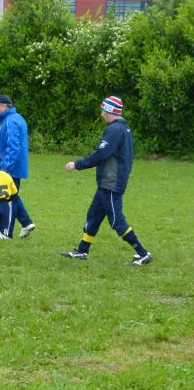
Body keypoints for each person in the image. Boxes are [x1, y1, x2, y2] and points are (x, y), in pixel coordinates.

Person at [60, 95, 152, 266]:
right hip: (108, 182)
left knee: (117, 221)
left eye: (103, 110)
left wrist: (76, 164)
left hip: (111, 183)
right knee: (93, 216)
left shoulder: (114, 130)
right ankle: (82, 251)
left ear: (110, 111)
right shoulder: (123, 128)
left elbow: (101, 154)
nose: (102, 114)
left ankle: (143, 253)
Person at [0, 94, 35, 239]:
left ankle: (6, 232)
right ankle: (26, 222)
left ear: (3, 106)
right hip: (16, 165)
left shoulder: (10, 121)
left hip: (11, 167)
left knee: (7, 198)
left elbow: (13, 147)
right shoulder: (16, 118)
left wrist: (5, 169)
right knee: (13, 195)